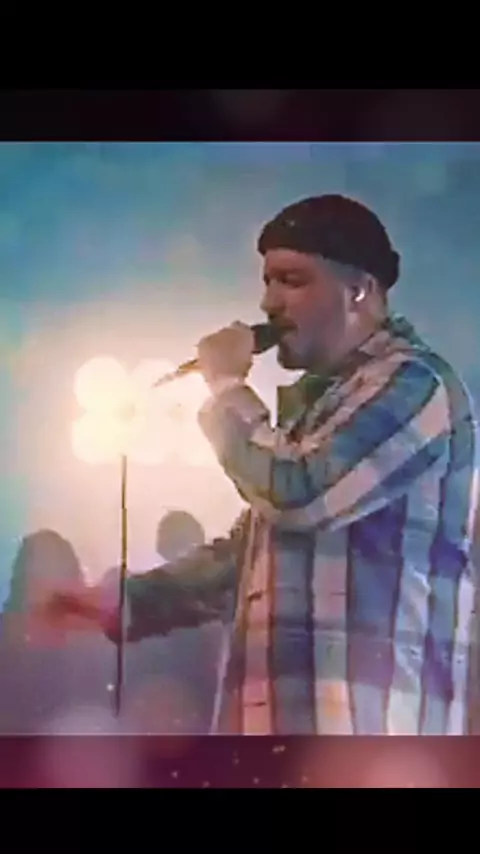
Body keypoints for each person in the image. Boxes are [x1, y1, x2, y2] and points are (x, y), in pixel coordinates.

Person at [43, 194, 478, 735]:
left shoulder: (414, 385)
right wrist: (128, 602)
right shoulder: (325, 407)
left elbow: (299, 494)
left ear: (359, 290)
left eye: (292, 280)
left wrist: (227, 386)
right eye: (267, 281)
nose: (269, 302)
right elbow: (251, 555)